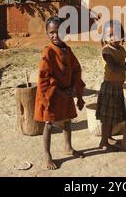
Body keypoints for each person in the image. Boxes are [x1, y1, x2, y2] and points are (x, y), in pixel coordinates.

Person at [34, 17, 86, 170]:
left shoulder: (67, 50)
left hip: (66, 93)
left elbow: (76, 68)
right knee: (49, 124)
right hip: (52, 95)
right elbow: (44, 76)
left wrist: (74, 88)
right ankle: (47, 155)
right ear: (47, 34)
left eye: (59, 32)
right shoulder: (48, 52)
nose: (55, 35)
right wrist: (58, 90)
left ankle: (68, 147)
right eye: (52, 32)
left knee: (67, 120)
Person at [96, 20, 126, 151]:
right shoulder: (107, 51)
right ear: (104, 37)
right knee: (107, 118)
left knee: (111, 116)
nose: (113, 38)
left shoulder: (120, 49)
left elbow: (123, 63)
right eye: (110, 35)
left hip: (117, 88)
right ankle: (104, 142)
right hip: (109, 88)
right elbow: (115, 68)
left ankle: (108, 137)